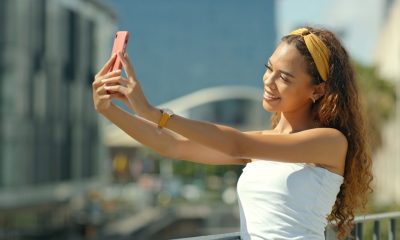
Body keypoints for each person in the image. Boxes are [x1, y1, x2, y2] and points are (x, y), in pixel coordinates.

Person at [92, 26, 373, 239]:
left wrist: (155, 113)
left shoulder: (329, 141)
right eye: (269, 69)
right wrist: (110, 110)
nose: (269, 81)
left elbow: (236, 144)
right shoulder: (263, 143)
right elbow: (174, 146)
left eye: (284, 77)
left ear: (318, 90)